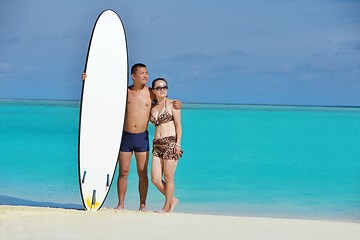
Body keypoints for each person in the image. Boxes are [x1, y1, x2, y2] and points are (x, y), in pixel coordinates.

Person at [82, 63, 182, 211]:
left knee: (142, 173)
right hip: (125, 136)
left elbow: (165, 100)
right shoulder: (124, 92)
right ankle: (121, 204)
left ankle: (142, 205)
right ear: (133, 76)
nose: (146, 75)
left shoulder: (151, 93)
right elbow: (104, 93)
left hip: (142, 138)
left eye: (147, 73)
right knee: (123, 172)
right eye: (142, 73)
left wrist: (178, 104)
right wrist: (89, 80)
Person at [150, 77, 183, 213]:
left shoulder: (173, 104)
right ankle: (173, 200)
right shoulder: (152, 106)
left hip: (170, 143)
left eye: (165, 87)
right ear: (153, 91)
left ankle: (166, 207)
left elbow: (178, 125)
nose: (162, 90)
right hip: (157, 144)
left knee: (168, 178)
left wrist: (178, 144)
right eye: (159, 88)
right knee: (155, 179)